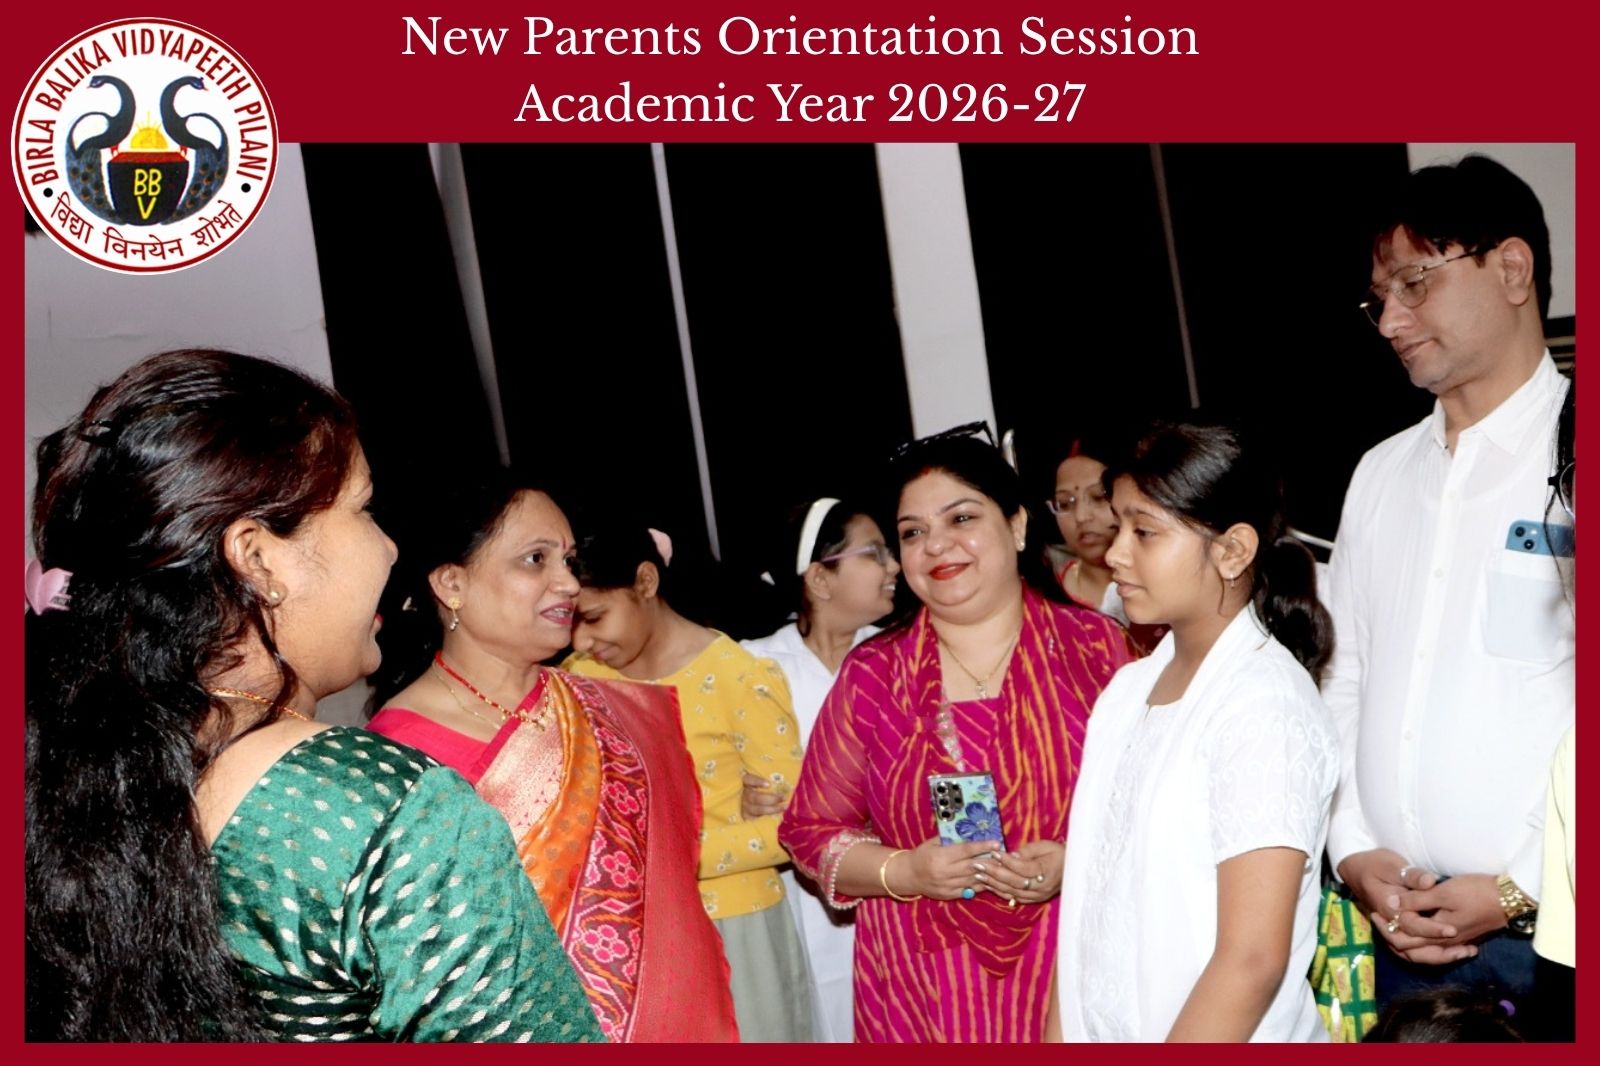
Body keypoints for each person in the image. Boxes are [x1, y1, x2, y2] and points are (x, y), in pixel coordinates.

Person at [24, 350, 600, 1042]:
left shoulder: (64, 763)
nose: (390, 549)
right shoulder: (377, 809)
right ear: (257, 559)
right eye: (363, 509)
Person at [778, 426, 1131, 1042]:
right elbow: (811, 832)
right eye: (913, 532)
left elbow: (1156, 809)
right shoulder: (873, 676)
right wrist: (905, 872)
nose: (936, 545)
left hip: (1075, 966)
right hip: (918, 993)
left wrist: (1077, 862)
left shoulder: (1098, 652)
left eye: (961, 518)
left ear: (1016, 525)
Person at [1327, 155, 1573, 1016]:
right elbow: (1344, 675)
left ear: (1512, 269)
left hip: (1555, 937)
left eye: (1415, 284)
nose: (1392, 320)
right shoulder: (1380, 473)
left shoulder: (1573, 456)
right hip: (1402, 932)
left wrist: (1522, 886)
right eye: (1379, 299)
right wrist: (1354, 850)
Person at [367, 475, 738, 1042]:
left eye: (568, 560)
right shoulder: (399, 752)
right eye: (535, 559)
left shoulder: (616, 709)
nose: (567, 583)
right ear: (451, 583)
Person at [1052, 422, 1339, 1042]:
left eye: (1144, 532)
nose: (1115, 554)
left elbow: (1251, 960)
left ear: (1232, 551)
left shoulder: (1263, 702)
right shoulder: (1127, 690)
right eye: (1118, 527)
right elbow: (1083, 914)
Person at [566, 524, 814, 1042]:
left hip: (738, 924)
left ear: (646, 581)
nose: (581, 640)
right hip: (629, 936)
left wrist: (663, 858)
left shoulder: (739, 677)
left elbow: (798, 829)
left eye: (593, 617)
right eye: (570, 622)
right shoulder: (581, 682)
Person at [740, 497, 901, 1041]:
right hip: (798, 900)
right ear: (820, 578)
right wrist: (742, 795)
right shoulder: (754, 665)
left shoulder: (904, 658)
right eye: (874, 553)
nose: (895, 565)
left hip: (892, 884)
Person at [1045, 432, 1166, 653]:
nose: (1081, 516)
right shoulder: (1049, 601)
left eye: (1099, 497)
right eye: (1064, 503)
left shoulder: (1170, 585)